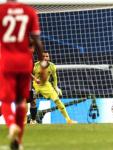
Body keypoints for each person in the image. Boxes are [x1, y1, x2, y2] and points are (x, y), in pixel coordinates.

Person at [0, 0, 44, 149]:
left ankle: (11, 124)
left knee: (6, 101)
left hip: (6, 61)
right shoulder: (29, 11)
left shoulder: (1, 10)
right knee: (20, 101)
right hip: (25, 62)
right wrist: (42, 64)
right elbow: (37, 41)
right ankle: (18, 142)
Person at [32, 51, 77, 124]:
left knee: (57, 100)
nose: (45, 58)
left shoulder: (52, 66)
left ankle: (68, 120)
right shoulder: (35, 65)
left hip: (46, 85)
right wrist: (34, 79)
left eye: (47, 56)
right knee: (30, 101)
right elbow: (29, 74)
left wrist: (56, 87)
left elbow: (54, 77)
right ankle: (26, 121)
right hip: (35, 85)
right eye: (44, 56)